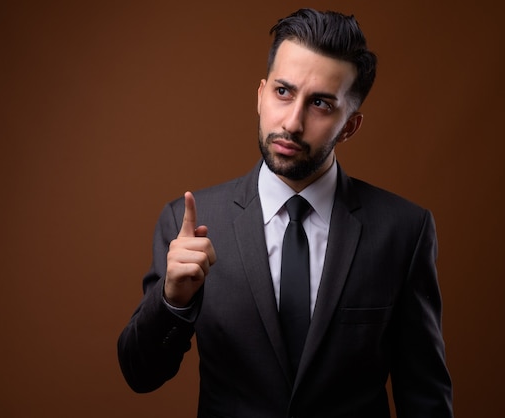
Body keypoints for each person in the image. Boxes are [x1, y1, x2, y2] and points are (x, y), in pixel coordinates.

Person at [118, 8, 453, 418]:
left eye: (321, 104)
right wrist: (173, 302)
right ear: (260, 95)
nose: (292, 123)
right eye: (283, 92)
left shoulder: (403, 231)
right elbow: (140, 374)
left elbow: (425, 399)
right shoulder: (188, 221)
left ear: (350, 126)